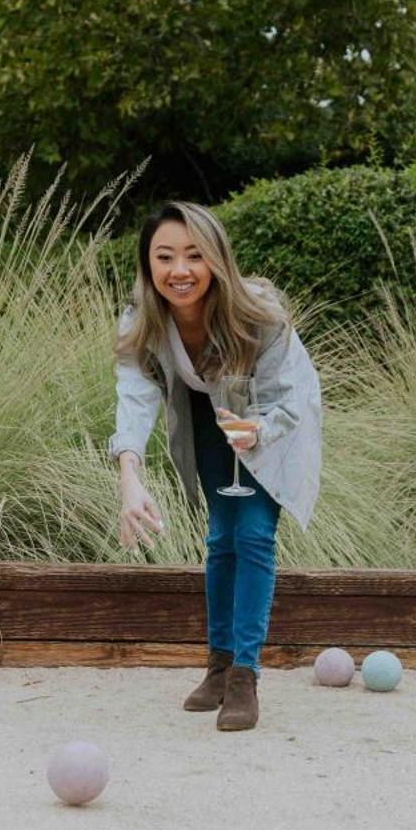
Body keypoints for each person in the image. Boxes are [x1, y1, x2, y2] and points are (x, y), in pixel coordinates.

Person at [107, 199, 322, 732]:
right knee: (221, 538)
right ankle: (219, 665)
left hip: (271, 420)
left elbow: (288, 399)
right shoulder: (142, 321)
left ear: (216, 260)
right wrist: (129, 475)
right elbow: (135, 400)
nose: (179, 271)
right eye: (165, 257)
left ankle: (246, 676)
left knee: (252, 535)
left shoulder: (260, 315)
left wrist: (257, 433)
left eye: (194, 256)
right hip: (207, 414)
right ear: (148, 264)